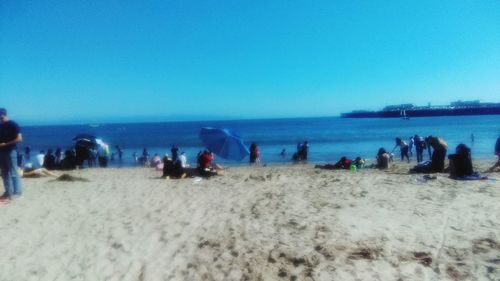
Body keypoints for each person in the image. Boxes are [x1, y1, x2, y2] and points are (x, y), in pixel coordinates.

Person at [0, 108, 23, 202]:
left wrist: (6, 144)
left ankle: (17, 192)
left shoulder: (13, 124)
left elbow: (19, 139)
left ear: (5, 115)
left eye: (1, 117)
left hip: (10, 151)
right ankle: (8, 192)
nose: (0, 119)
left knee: (13, 172)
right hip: (1, 152)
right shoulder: (0, 126)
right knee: (4, 173)